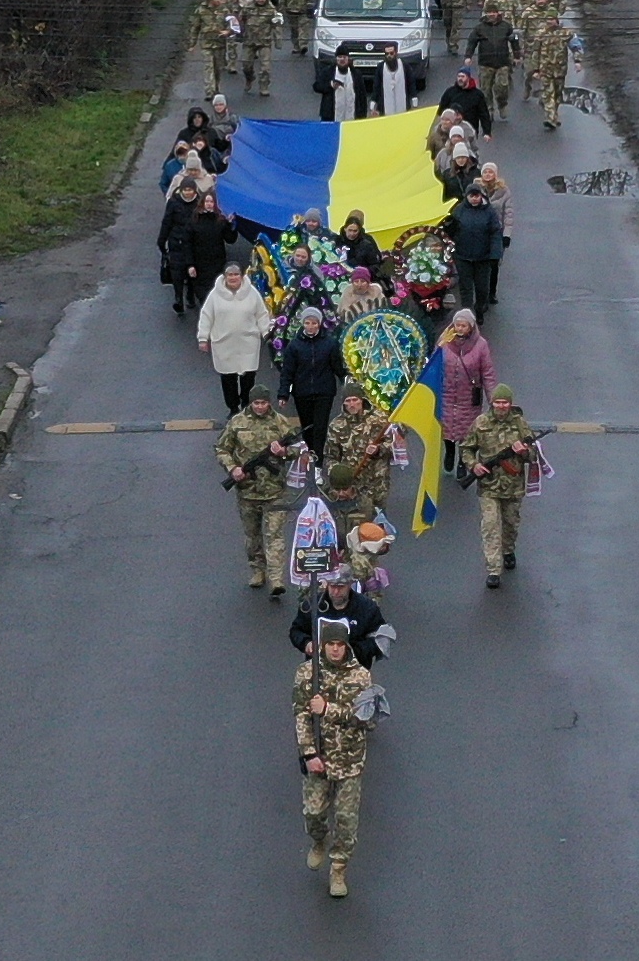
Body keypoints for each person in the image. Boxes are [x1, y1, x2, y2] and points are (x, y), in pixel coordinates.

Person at [293, 619, 373, 898]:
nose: (336, 650)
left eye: (340, 645)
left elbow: (366, 719)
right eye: (331, 645)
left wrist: (329, 709)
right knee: (314, 813)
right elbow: (301, 716)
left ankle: (339, 868)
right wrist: (309, 754)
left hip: (350, 759)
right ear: (323, 646)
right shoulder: (307, 673)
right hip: (320, 760)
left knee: (346, 820)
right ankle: (318, 841)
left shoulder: (361, 677)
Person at [216, 384, 298, 595]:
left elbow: (297, 449)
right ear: (251, 402)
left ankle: (276, 579)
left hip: (275, 490)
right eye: (256, 403)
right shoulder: (237, 422)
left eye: (263, 402)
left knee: (275, 536)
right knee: (252, 535)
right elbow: (222, 448)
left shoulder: (279, 422)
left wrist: (283, 452)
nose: (260, 407)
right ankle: (257, 570)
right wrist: (233, 468)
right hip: (248, 491)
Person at [462, 383, 537, 588]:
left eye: (505, 402)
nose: (501, 406)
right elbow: (467, 448)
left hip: (513, 485)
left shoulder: (520, 424)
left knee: (511, 523)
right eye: (498, 402)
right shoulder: (481, 423)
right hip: (489, 485)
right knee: (490, 525)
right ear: (492, 403)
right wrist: (474, 465)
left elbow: (533, 455)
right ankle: (494, 569)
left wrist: (523, 451)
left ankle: (508, 550)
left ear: (510, 403)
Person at [198, 263, 270, 415]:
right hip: (224, 344)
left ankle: (246, 405)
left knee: (248, 378)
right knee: (228, 379)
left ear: (242, 276)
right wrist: (203, 338)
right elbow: (206, 316)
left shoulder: (252, 293)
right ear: (225, 277)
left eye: (236, 274)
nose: (233, 278)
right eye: (230, 275)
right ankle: (233, 408)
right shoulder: (215, 295)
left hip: (248, 344)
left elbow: (262, 314)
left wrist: (266, 333)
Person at [279, 307, 347, 461]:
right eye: (307, 323)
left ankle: (319, 454)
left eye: (314, 323)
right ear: (303, 324)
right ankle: (310, 449)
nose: (310, 326)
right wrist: (283, 394)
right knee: (307, 426)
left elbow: (337, 367)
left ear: (319, 324)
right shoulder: (294, 346)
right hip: (302, 392)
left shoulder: (330, 344)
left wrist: (347, 382)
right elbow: (288, 372)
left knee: (320, 425)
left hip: (324, 391)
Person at [291, 564, 388, 667]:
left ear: (350, 584)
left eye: (341, 587)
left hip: (356, 671)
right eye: (332, 586)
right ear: (327, 584)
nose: (336, 592)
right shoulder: (312, 605)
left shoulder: (367, 608)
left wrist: (354, 651)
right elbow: (296, 630)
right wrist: (306, 643)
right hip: (318, 669)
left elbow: (381, 637)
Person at [438, 309, 496, 475]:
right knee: (447, 428)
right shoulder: (445, 340)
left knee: (467, 431)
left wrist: (492, 397)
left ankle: (464, 461)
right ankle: (449, 451)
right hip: (447, 393)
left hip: (469, 396)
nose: (460, 328)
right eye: (457, 325)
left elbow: (487, 372)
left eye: (464, 325)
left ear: (471, 327)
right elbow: (434, 364)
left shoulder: (481, 345)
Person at [326, 381, 392, 516]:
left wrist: (378, 450)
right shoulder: (336, 426)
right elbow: (330, 456)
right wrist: (339, 480)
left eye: (355, 400)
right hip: (351, 487)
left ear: (362, 400)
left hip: (377, 484)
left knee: (377, 527)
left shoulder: (379, 420)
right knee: (354, 527)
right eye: (348, 401)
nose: (351, 404)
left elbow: (393, 447)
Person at [447, 185, 501, 324]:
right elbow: (450, 231)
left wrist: (495, 254)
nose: (474, 199)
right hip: (462, 256)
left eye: (477, 196)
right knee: (466, 288)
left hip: (483, 257)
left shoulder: (489, 212)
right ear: (467, 196)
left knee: (482, 288)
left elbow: (495, 233)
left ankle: (479, 310)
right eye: (472, 196)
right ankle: (467, 315)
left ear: (481, 196)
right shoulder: (459, 210)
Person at [465, 5, 520, 122]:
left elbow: (514, 41)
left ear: (497, 13)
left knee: (503, 87)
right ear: (486, 14)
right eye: (489, 12)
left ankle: (502, 104)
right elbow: (471, 42)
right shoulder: (479, 28)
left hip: (502, 63)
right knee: (485, 89)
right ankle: (489, 109)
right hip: (485, 64)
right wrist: (468, 56)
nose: (491, 15)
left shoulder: (506, 26)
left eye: (493, 12)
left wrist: (517, 56)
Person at [157, 177, 202, 313]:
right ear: (181, 190)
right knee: (177, 272)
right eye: (186, 190)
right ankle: (178, 299)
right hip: (176, 241)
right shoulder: (173, 203)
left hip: (193, 242)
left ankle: (190, 295)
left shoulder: (199, 203)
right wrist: (161, 240)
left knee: (192, 271)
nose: (188, 193)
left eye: (190, 190)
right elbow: (167, 222)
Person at [532, 12, 583, 130]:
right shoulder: (541, 34)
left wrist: (577, 61)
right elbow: (535, 52)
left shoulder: (566, 33)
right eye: (547, 19)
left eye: (552, 19)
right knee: (548, 94)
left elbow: (576, 47)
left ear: (556, 20)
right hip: (545, 70)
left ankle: (553, 114)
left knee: (557, 95)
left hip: (560, 69)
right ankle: (550, 118)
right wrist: (536, 69)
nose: (549, 21)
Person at [187, 191, 235, 300]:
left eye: (211, 201)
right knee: (203, 294)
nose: (209, 204)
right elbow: (188, 244)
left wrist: (230, 224)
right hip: (200, 263)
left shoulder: (220, 221)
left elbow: (230, 239)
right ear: (202, 203)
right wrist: (190, 265)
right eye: (207, 201)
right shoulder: (195, 220)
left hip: (217, 262)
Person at [479, 163, 514, 302]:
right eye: (485, 172)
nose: (488, 174)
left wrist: (507, 234)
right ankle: (481, 291)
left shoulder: (504, 191)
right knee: (481, 263)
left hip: (496, 232)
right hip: (480, 232)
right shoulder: (476, 189)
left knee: (494, 263)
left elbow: (509, 213)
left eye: (490, 172)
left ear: (495, 174)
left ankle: (491, 292)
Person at [187, 0, 234, 99]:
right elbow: (195, 28)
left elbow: (232, 24)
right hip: (206, 44)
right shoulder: (201, 10)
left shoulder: (224, 10)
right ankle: (210, 91)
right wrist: (192, 44)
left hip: (219, 44)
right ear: (210, 0)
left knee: (217, 68)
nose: (219, 0)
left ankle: (216, 88)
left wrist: (228, 31)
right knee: (208, 67)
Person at [240, 0, 280, 97]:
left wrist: (278, 41)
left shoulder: (271, 10)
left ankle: (264, 86)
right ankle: (249, 78)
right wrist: (239, 34)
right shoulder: (248, 8)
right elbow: (241, 21)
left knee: (265, 67)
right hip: (249, 41)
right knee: (246, 64)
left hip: (264, 42)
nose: (260, 1)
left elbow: (276, 25)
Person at [314, 45, 367, 121]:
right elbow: (316, 86)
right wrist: (330, 85)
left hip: (352, 117)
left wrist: (362, 116)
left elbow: (362, 96)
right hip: (331, 117)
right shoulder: (328, 72)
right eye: (339, 57)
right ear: (336, 59)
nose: (342, 59)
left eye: (344, 57)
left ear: (348, 59)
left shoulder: (356, 74)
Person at [438, 67, 492, 140]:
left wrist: (487, 132)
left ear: (468, 78)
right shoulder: (450, 92)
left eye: (463, 76)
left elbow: (483, 114)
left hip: (470, 132)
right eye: (458, 76)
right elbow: (442, 111)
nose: (460, 79)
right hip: (451, 131)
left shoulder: (477, 95)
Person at [371, 43, 416, 115]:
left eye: (391, 53)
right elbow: (376, 86)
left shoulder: (404, 66)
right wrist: (373, 103)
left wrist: (414, 100)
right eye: (387, 54)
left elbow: (411, 84)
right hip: (386, 108)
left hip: (403, 106)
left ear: (396, 53)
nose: (389, 56)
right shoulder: (380, 67)